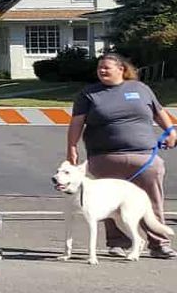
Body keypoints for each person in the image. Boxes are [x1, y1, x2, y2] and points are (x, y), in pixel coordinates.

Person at [67, 52, 175, 260]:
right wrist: (71, 146)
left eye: (107, 67)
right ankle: (118, 243)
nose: (102, 71)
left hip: (144, 157)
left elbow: (159, 112)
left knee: (152, 201)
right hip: (105, 157)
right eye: (100, 68)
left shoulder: (140, 89)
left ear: (121, 70)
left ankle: (159, 243)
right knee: (109, 202)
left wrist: (171, 131)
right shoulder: (89, 94)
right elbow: (77, 122)